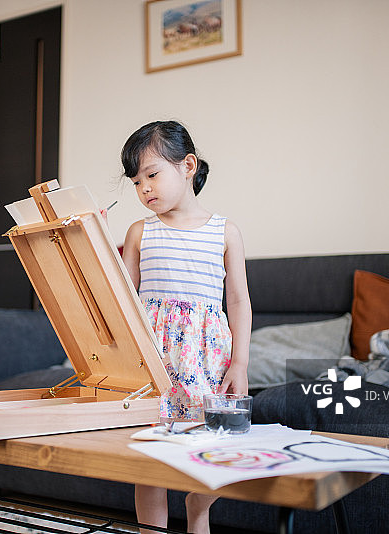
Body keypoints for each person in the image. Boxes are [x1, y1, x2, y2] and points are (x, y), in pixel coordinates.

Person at [119, 120, 252, 534]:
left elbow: (238, 302)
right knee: (150, 458)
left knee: (210, 447)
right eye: (136, 182)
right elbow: (122, 300)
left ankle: (199, 509)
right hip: (154, 362)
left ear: (188, 166)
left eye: (152, 175)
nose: (144, 189)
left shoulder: (224, 232)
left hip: (206, 360)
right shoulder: (141, 232)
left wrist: (240, 365)